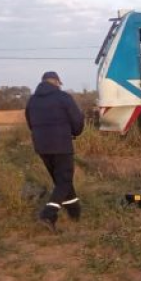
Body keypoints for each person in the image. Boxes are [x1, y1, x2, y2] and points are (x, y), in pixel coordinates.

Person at [25, 72, 85, 232]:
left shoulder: (32, 100)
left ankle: (74, 212)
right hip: (61, 145)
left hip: (42, 147)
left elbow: (30, 123)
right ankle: (48, 215)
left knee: (61, 182)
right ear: (56, 82)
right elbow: (77, 120)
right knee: (64, 181)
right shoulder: (63, 97)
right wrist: (75, 132)